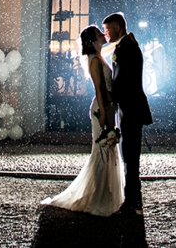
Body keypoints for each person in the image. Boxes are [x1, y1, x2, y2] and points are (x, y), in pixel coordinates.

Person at [40, 26, 125, 216]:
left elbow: (113, 48)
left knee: (109, 149)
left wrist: (121, 41)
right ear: (92, 41)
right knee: (102, 149)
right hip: (101, 108)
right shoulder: (94, 61)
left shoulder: (100, 55)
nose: (103, 35)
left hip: (109, 108)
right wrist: (103, 112)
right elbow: (98, 89)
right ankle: (99, 195)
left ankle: (108, 193)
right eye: (99, 34)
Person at [103, 12, 153, 216]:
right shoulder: (124, 46)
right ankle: (134, 201)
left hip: (131, 108)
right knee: (130, 156)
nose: (106, 35)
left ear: (117, 28)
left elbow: (125, 79)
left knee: (130, 157)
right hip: (129, 107)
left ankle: (131, 202)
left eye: (107, 30)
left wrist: (110, 95)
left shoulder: (127, 48)